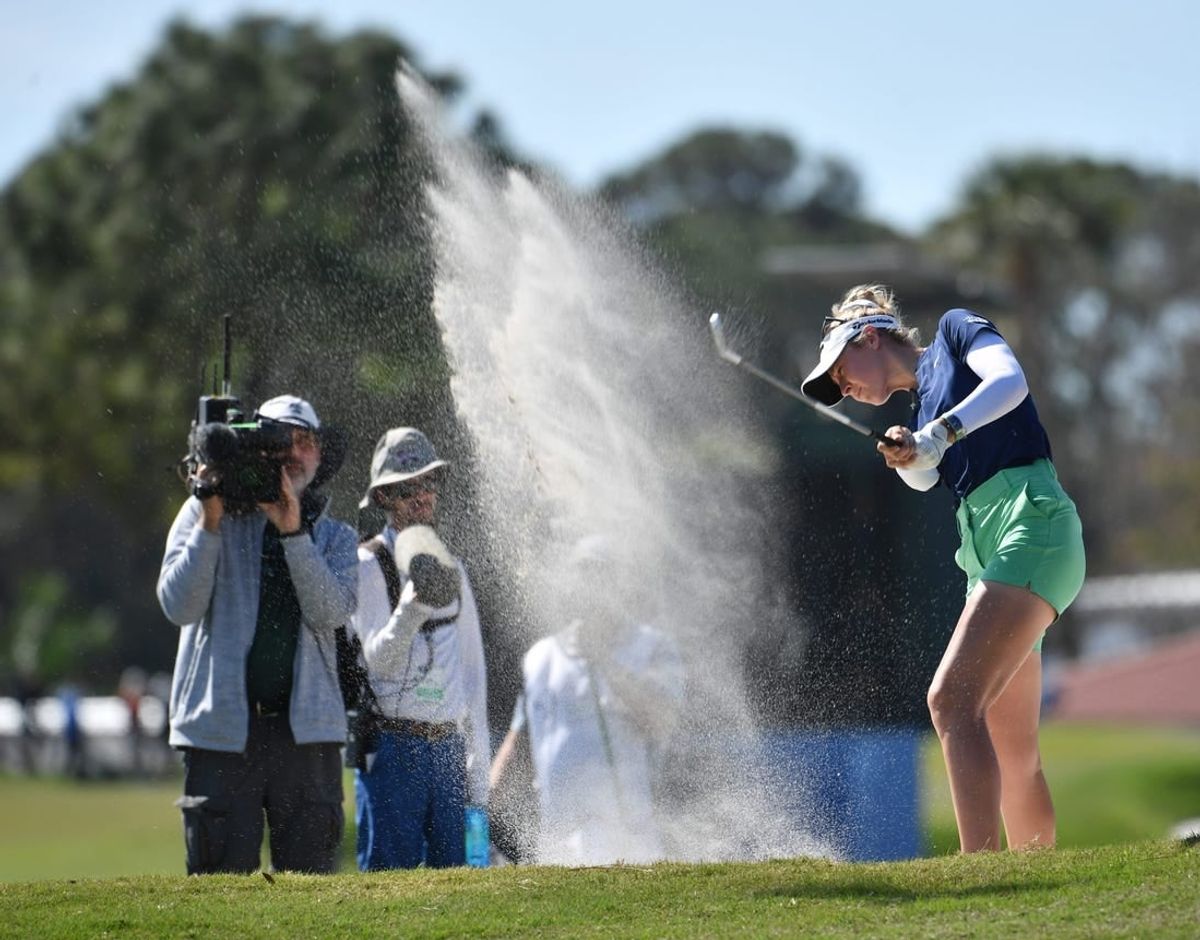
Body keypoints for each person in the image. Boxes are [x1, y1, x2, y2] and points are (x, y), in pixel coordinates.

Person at [800, 284, 1086, 853]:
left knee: (950, 701)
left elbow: (1009, 384)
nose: (844, 388)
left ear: (870, 337)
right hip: (988, 551)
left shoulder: (956, 333)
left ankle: (977, 874)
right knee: (1014, 752)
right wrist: (911, 453)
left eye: (840, 370)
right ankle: (1038, 885)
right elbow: (927, 477)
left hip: (1032, 524)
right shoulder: (922, 407)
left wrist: (938, 434)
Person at [157, 394, 357, 875]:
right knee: (220, 891)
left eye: (305, 442)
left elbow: (329, 613)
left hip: (306, 735)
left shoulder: (336, 537)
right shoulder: (205, 512)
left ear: (320, 456)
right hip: (222, 733)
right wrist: (210, 518)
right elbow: (178, 606)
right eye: (279, 441)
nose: (293, 453)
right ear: (253, 447)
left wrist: (293, 532)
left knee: (310, 895)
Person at [489, 535, 686, 866]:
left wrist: (607, 663)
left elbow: (662, 720)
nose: (592, 586)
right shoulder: (541, 657)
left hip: (631, 842)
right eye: (583, 575)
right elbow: (521, 740)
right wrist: (485, 804)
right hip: (559, 846)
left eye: (602, 575)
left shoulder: (653, 648)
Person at [349, 427, 490, 870]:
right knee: (388, 895)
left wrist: (479, 765)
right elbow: (375, 666)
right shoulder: (368, 563)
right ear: (385, 497)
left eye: (429, 483)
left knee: (460, 890)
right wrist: (411, 609)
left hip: (448, 750)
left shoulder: (455, 570)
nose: (422, 495)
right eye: (409, 487)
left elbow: (472, 674)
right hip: (391, 748)